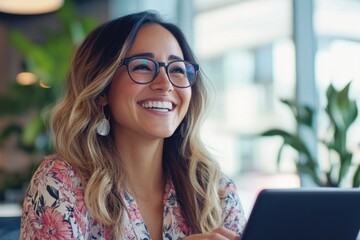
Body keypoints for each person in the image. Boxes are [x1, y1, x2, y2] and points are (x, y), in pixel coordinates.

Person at [20, 10, 246, 240]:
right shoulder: (61, 182)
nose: (165, 84)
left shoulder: (215, 191)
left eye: (177, 69)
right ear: (101, 90)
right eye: (142, 67)